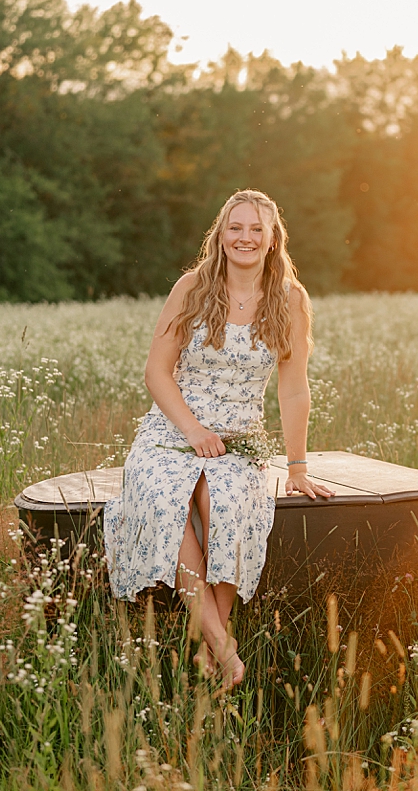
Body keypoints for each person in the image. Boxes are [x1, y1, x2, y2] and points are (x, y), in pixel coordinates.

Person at [103, 190, 332, 689]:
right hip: (171, 431)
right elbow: (156, 372)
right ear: (221, 234)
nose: (245, 237)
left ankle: (210, 646)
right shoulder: (191, 288)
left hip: (239, 439)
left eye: (257, 229)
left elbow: (293, 389)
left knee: (225, 501)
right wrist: (193, 429)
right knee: (168, 497)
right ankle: (225, 650)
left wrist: (297, 468)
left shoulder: (290, 298)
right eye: (236, 227)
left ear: (273, 240)